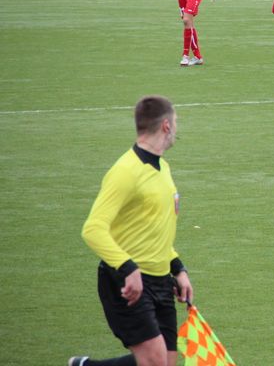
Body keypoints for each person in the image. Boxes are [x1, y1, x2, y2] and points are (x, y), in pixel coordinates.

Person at [70, 96, 193, 366]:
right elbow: (93, 228)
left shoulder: (163, 168)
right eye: (176, 122)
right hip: (126, 281)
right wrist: (128, 269)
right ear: (166, 126)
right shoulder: (125, 171)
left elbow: (154, 229)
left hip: (161, 281)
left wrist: (178, 269)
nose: (177, 128)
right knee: (154, 360)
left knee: (166, 362)